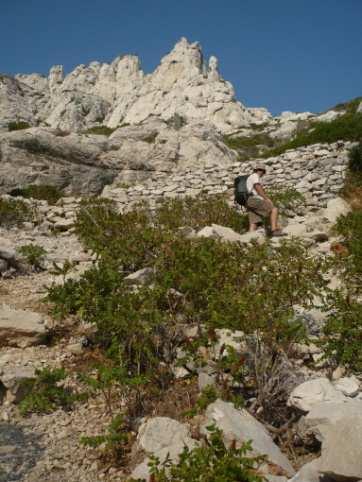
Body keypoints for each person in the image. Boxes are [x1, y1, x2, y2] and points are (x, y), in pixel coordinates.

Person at [245, 164, 285, 236]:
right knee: (274, 209)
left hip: (249, 201)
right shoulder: (255, 176)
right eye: (262, 171)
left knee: (254, 222)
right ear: (261, 171)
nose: (262, 173)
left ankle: (250, 238)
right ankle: (274, 230)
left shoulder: (250, 177)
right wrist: (266, 199)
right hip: (254, 199)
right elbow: (257, 187)